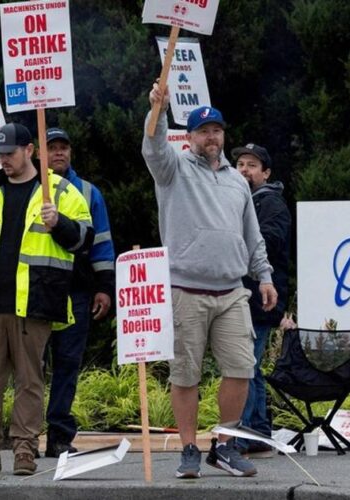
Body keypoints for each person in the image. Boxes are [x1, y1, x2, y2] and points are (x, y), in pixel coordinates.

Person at [0, 123, 93, 476]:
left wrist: (61, 223)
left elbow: (85, 239)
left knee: (29, 380)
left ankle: (25, 449)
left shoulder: (60, 191)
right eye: (0, 154)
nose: (3, 160)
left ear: (29, 150)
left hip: (36, 299)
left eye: (9, 153)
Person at [142, 85, 278, 479]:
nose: (211, 137)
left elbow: (252, 235)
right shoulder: (173, 169)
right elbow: (153, 146)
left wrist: (264, 276)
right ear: (189, 137)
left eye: (217, 130)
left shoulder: (238, 181)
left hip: (233, 290)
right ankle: (188, 449)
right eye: (203, 131)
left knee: (241, 369)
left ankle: (224, 445)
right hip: (185, 290)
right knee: (185, 374)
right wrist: (159, 109)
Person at [42, 127, 115, 457]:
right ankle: (26, 435)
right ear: (38, 153)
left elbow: (102, 242)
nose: (59, 153)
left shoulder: (88, 192)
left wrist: (104, 287)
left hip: (76, 290)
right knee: (30, 366)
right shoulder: (29, 188)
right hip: (36, 290)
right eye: (52, 147)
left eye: (64, 148)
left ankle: (59, 437)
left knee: (68, 364)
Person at [232, 143, 292, 458]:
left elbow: (266, 243)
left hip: (260, 299)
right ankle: (256, 433)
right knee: (250, 366)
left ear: (266, 173)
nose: (244, 170)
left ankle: (246, 435)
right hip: (244, 297)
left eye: (252, 165)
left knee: (245, 365)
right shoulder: (239, 202)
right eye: (240, 163)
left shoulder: (271, 204)